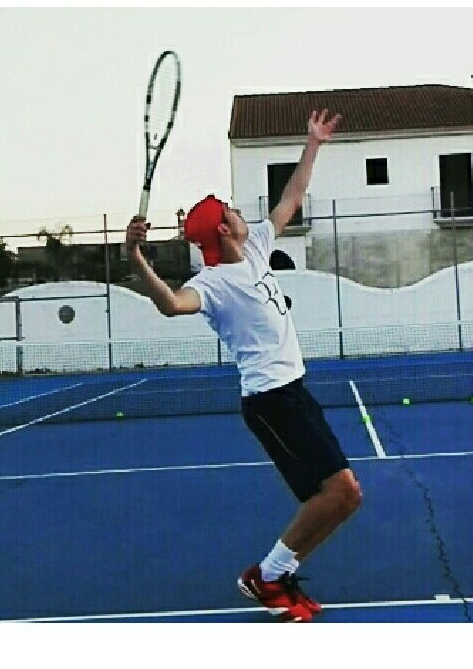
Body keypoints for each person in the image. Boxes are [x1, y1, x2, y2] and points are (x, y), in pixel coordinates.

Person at [125, 110, 362, 623]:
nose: (238, 212)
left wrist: (313, 142)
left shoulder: (256, 248)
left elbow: (292, 196)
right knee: (340, 493)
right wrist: (136, 258)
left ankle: (278, 573)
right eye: (230, 211)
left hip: (295, 392)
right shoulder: (211, 285)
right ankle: (267, 576)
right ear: (222, 229)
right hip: (271, 402)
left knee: (345, 498)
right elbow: (172, 304)